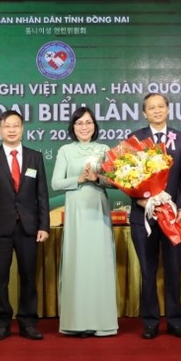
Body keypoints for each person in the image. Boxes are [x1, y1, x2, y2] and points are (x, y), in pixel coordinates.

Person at [0, 110, 50, 341]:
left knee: (29, 276)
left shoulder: (34, 157)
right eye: (7, 126)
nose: (11, 129)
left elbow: (42, 195)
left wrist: (44, 226)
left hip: (29, 227)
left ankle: (28, 322)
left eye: (16, 125)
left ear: (22, 129)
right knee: (0, 277)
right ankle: (3, 322)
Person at [129, 93, 181, 339]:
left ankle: (176, 321)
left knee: (173, 269)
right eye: (151, 108)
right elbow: (127, 177)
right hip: (142, 216)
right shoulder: (135, 139)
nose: (156, 111)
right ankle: (150, 322)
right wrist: (139, 199)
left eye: (160, 107)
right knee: (148, 271)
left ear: (168, 109)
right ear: (144, 113)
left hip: (173, 216)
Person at [51, 107, 117, 337]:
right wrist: (79, 179)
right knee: (78, 262)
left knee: (100, 262)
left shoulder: (104, 149)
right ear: (73, 127)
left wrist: (97, 178)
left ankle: (103, 322)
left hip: (98, 208)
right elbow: (56, 183)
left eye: (88, 122)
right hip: (77, 210)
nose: (84, 127)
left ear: (95, 125)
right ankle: (76, 322)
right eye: (79, 123)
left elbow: (115, 182)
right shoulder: (65, 151)